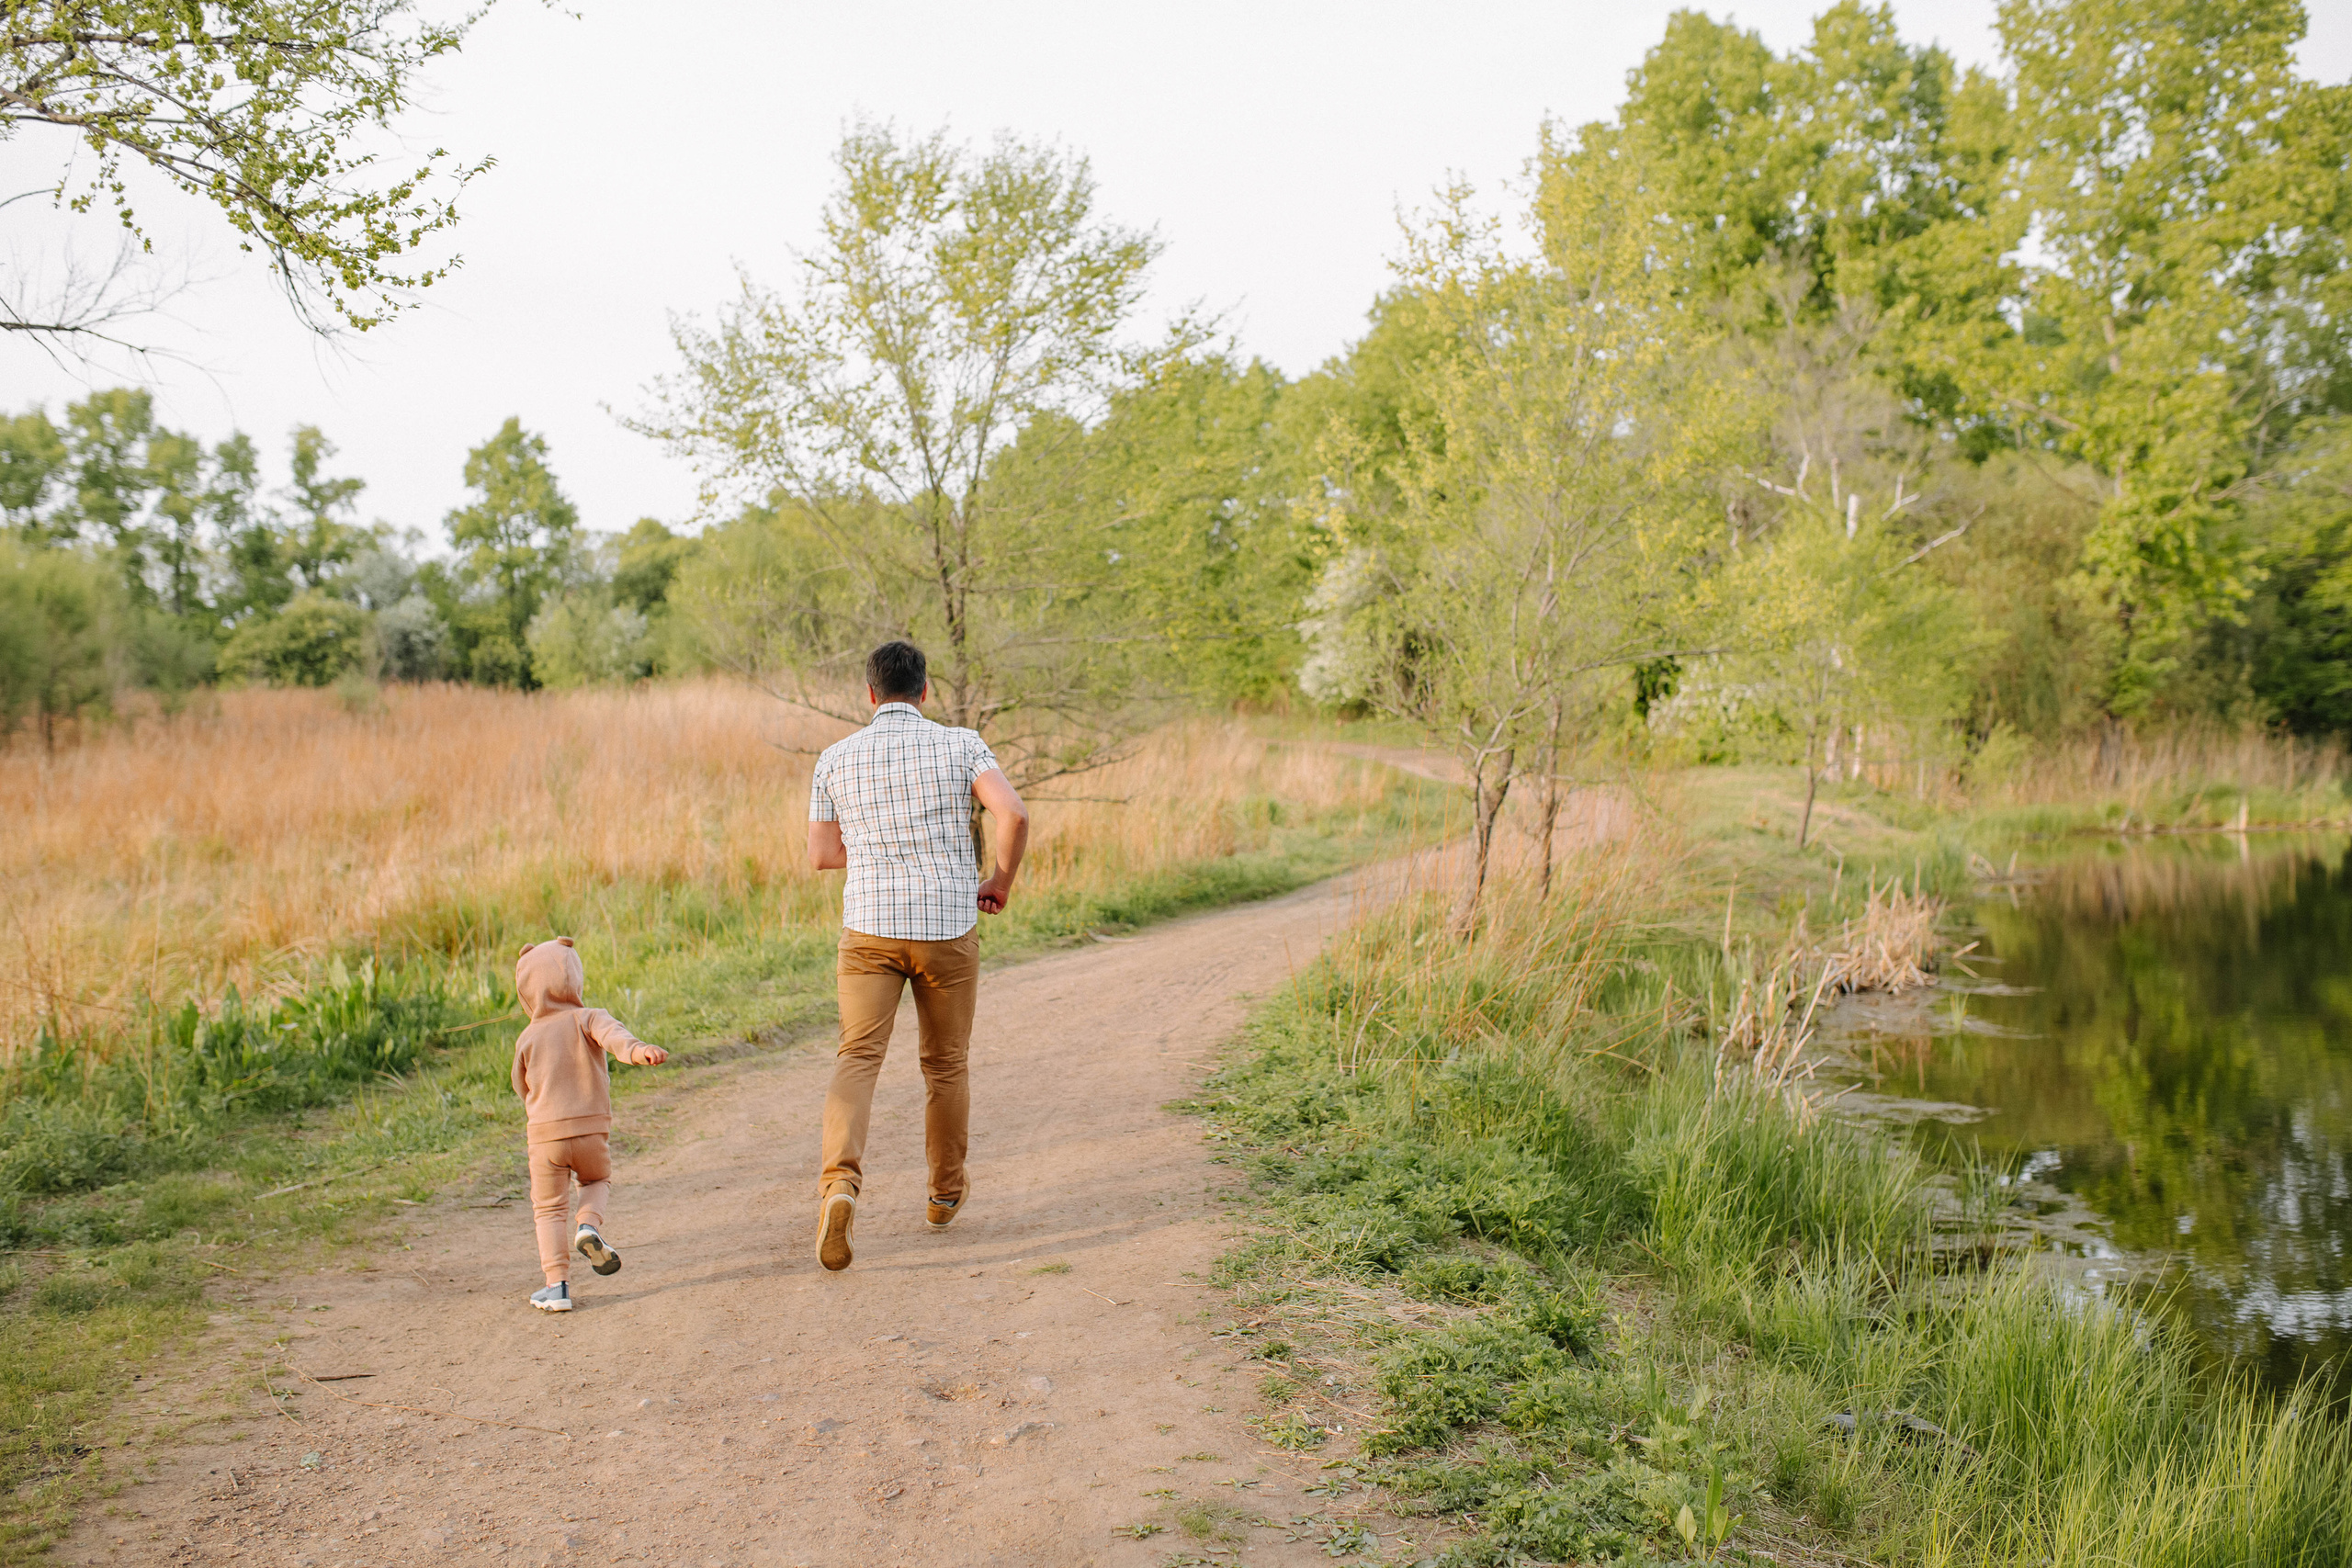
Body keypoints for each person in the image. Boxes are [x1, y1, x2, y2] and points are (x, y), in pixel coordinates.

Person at [806, 639, 1030, 1271]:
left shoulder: (834, 758)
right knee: (945, 1063)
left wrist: (879, 851)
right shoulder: (961, 744)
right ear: (924, 690)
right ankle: (943, 1193)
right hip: (946, 925)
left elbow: (823, 854)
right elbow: (1012, 813)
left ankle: (840, 1185)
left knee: (857, 1057)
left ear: (871, 694)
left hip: (870, 929)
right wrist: (998, 880)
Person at [508, 936, 669, 1312]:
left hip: (545, 1138)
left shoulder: (527, 1037)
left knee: (548, 1210)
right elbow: (617, 1039)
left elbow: (521, 1085)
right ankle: (589, 1227)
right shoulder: (588, 1017)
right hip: (590, 1131)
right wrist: (638, 1051)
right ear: (574, 977)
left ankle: (556, 1286)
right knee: (595, 1181)